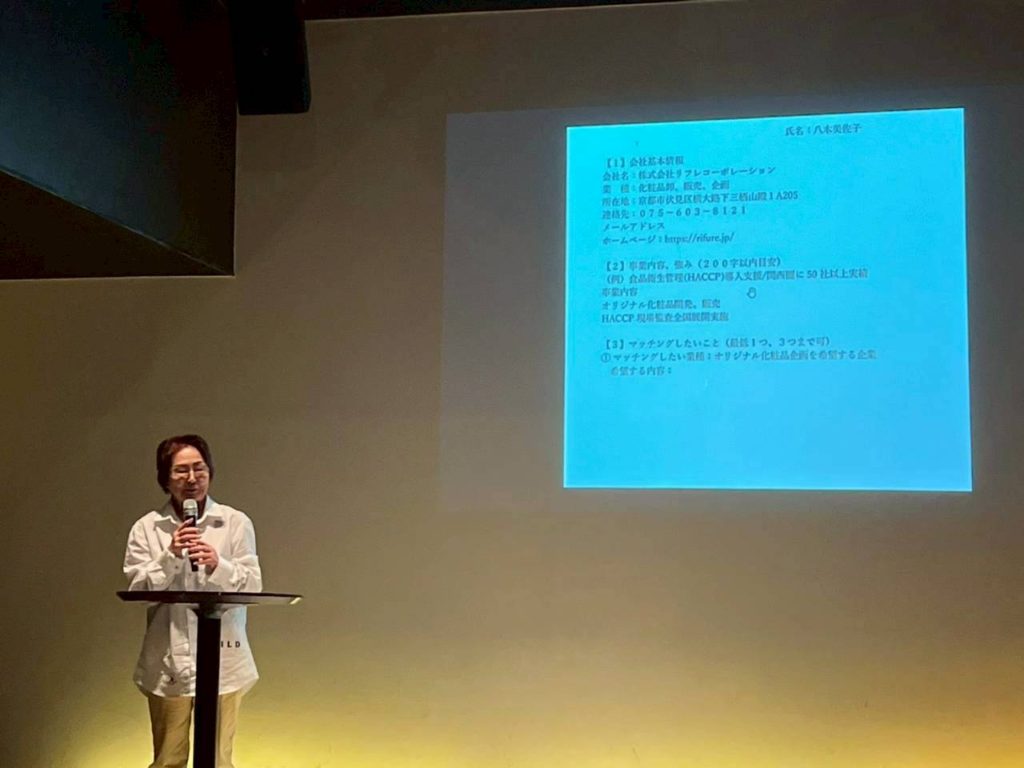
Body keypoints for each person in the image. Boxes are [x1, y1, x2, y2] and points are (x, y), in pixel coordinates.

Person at [124, 434, 262, 768]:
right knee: (167, 759)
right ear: (165, 478)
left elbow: (253, 584)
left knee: (217, 759)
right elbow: (138, 590)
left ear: (210, 472)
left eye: (199, 469)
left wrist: (217, 564)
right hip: (169, 660)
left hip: (223, 660)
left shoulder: (234, 522)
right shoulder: (147, 528)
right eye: (181, 470)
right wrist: (170, 555)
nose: (191, 478)